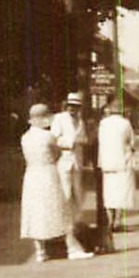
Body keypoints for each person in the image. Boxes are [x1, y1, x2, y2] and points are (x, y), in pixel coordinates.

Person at [20, 102, 74, 262]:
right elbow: (57, 153)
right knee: (56, 207)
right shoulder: (48, 136)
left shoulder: (25, 137)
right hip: (48, 173)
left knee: (35, 210)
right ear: (43, 119)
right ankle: (69, 246)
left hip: (31, 174)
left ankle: (40, 251)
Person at [50, 92, 93, 258]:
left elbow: (84, 139)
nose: (72, 109)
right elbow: (53, 139)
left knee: (78, 195)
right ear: (66, 106)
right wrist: (69, 143)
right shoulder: (59, 119)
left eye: (76, 106)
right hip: (64, 160)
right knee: (65, 195)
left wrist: (80, 141)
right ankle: (64, 226)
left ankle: (74, 225)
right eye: (70, 106)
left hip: (76, 161)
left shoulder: (80, 121)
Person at [97, 102, 137, 232]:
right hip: (122, 162)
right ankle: (118, 221)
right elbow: (131, 142)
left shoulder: (103, 124)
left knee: (109, 193)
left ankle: (110, 220)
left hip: (107, 163)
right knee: (122, 192)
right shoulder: (125, 123)